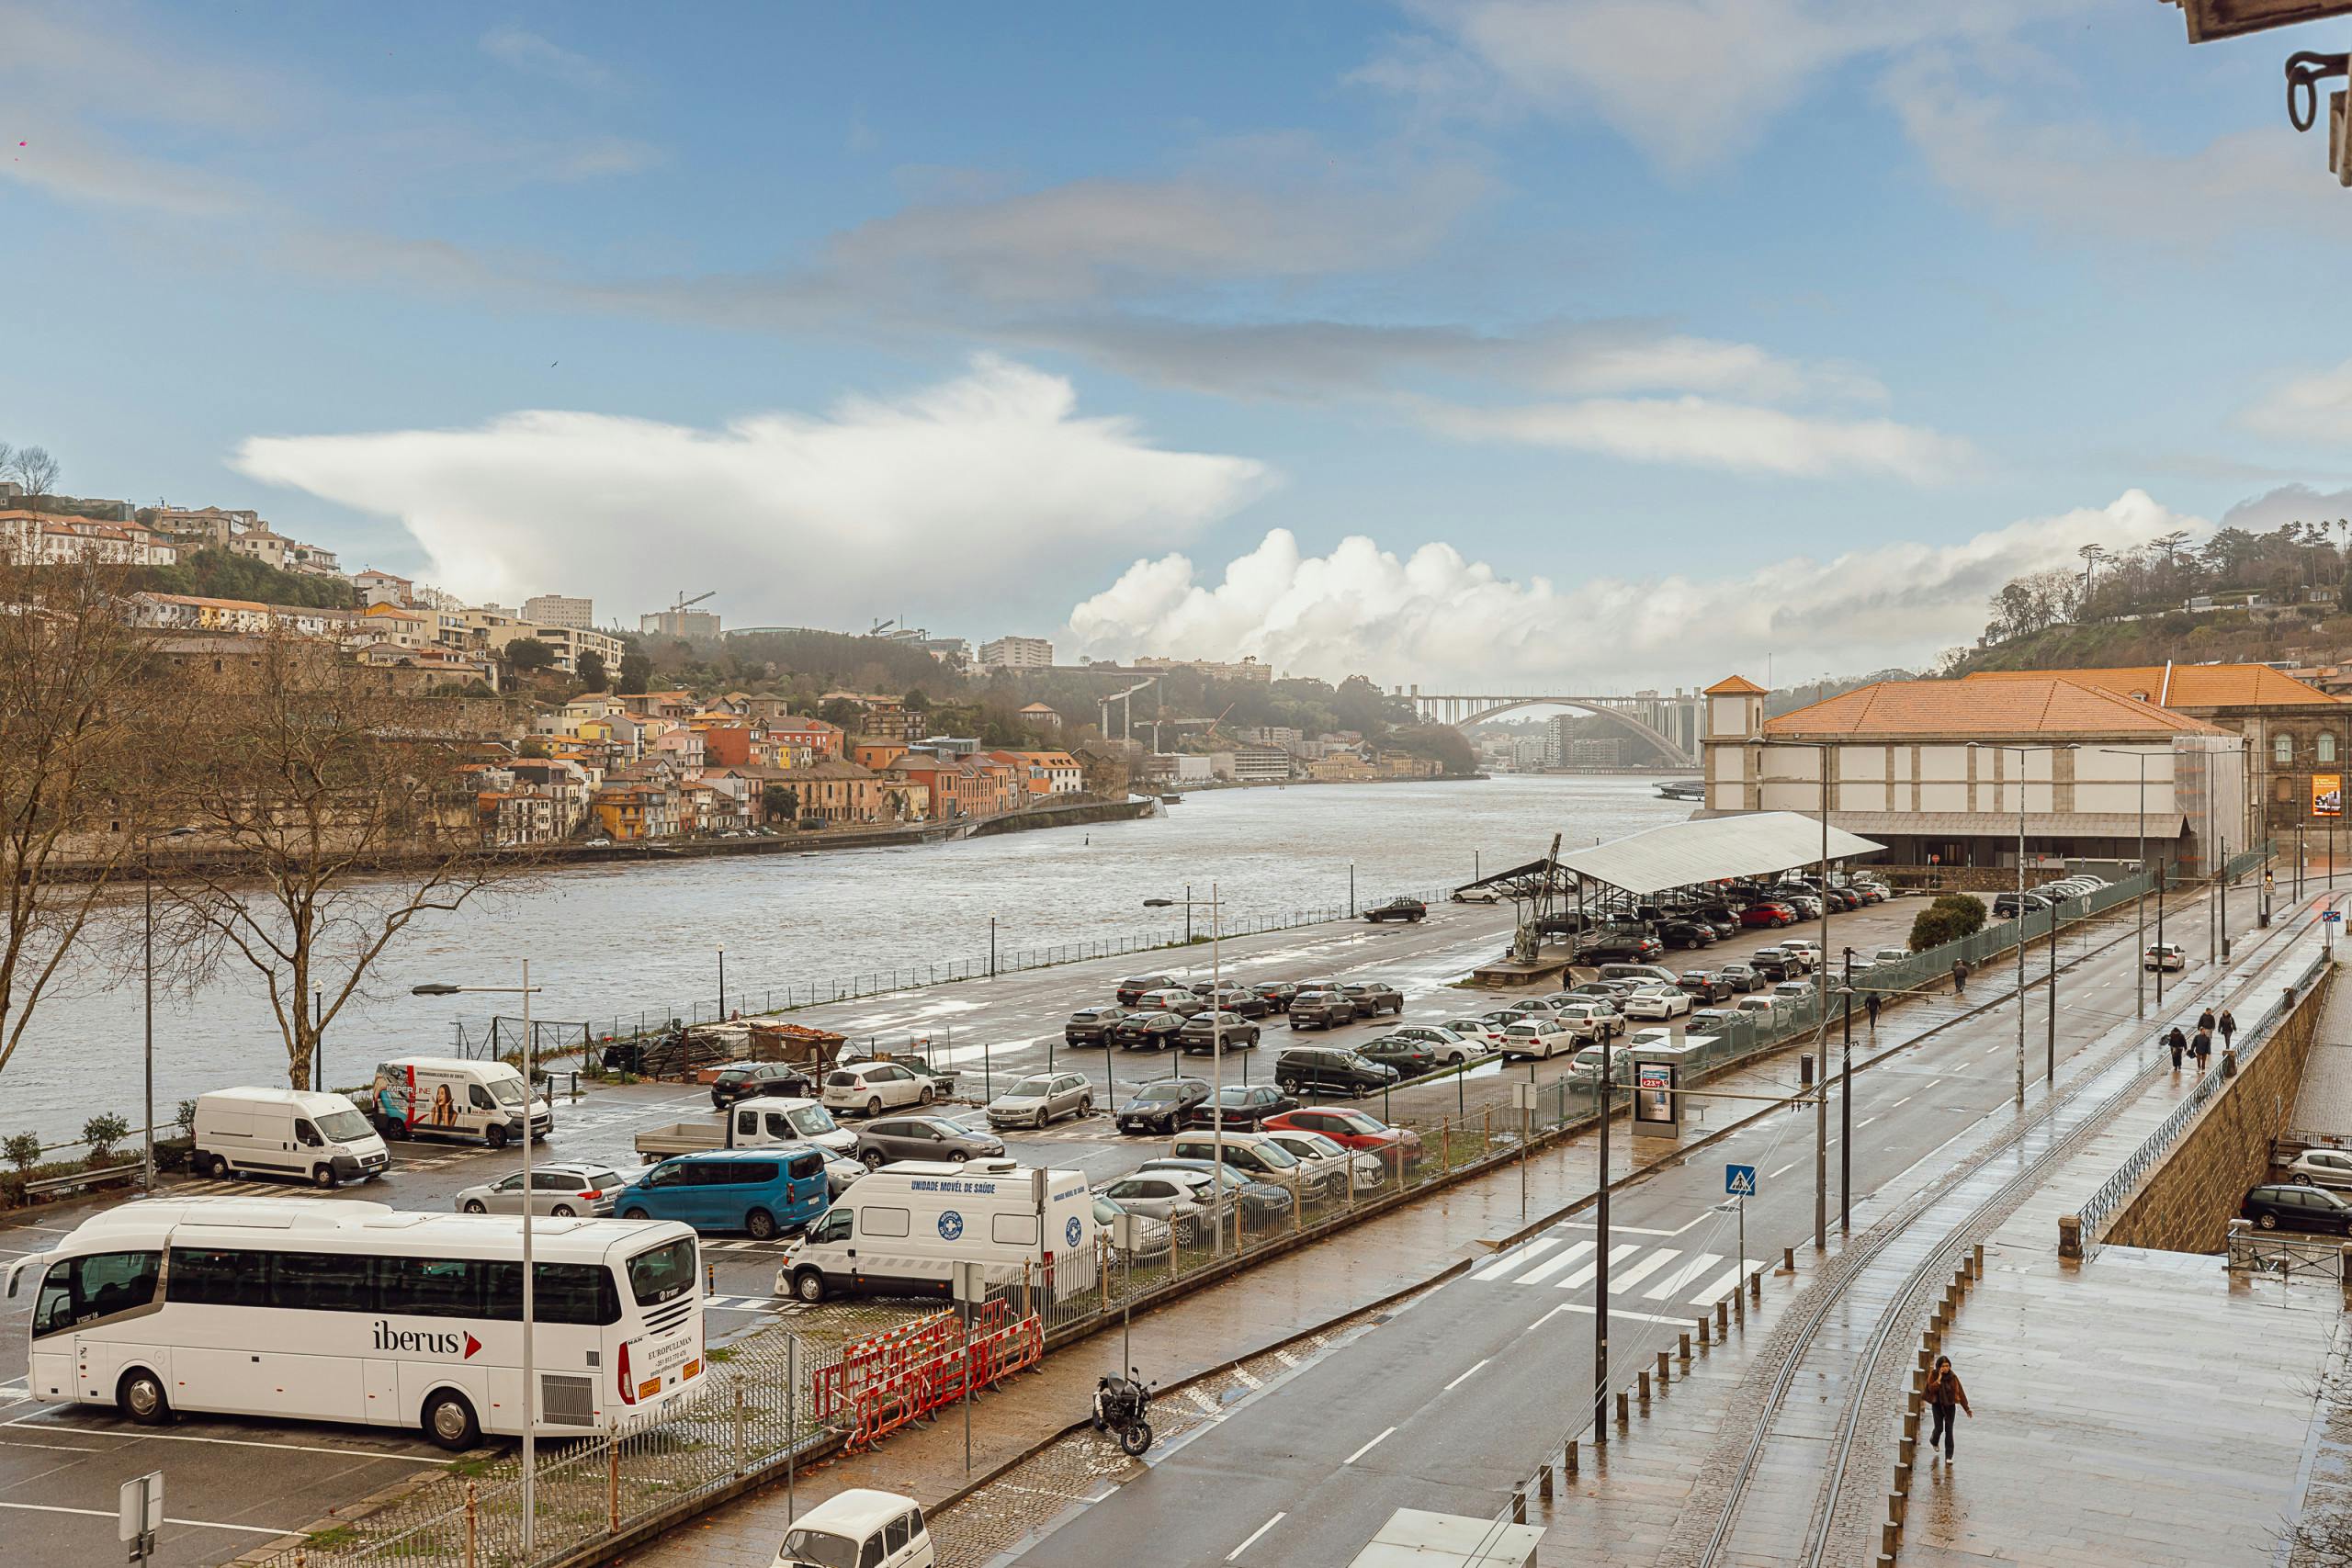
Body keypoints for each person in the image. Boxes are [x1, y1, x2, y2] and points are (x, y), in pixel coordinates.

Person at [1926, 1354, 1971, 1460]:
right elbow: (1931, 1389)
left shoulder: (1953, 1377)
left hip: (1950, 1405)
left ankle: (1949, 1456)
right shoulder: (1933, 1375)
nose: (1945, 1368)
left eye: (1947, 1366)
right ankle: (1934, 1440)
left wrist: (1966, 1408)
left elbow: (1960, 1392)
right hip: (1937, 1405)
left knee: (1949, 1430)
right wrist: (1939, 1379)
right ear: (1939, 1367)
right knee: (1939, 1428)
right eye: (1943, 1366)